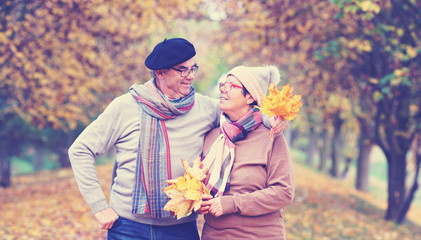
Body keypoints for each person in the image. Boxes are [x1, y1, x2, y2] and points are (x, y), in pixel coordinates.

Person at [68, 38, 286, 240]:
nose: (190, 76)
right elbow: (80, 150)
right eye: (183, 70)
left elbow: (245, 115)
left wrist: (273, 120)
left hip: (180, 228)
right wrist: (99, 206)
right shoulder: (125, 107)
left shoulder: (205, 108)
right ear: (160, 73)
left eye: (193, 68)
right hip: (128, 227)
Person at [198, 65, 295, 240]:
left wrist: (232, 203)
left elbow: (284, 192)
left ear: (250, 96)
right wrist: (199, 201)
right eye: (223, 85)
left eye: (231, 86)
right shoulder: (213, 135)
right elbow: (199, 183)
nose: (223, 90)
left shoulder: (271, 136)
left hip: (258, 235)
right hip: (214, 234)